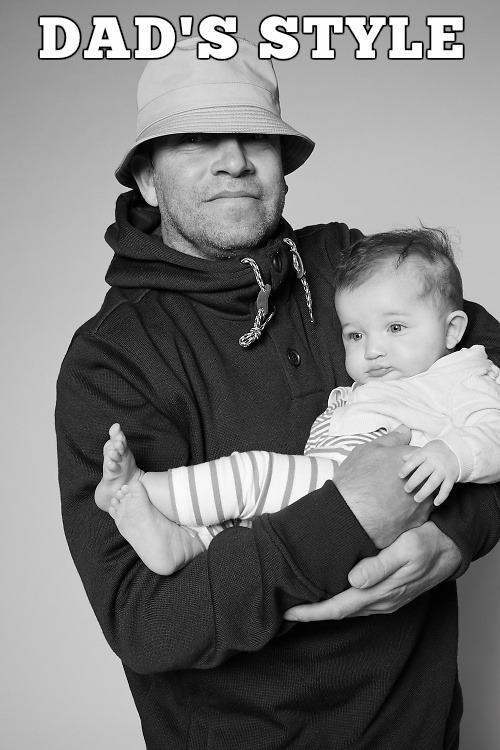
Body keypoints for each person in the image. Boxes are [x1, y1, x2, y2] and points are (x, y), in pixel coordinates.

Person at [56, 36, 500, 750]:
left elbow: (488, 377)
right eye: (197, 139)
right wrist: (347, 517)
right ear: (146, 179)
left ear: (283, 165)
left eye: (255, 138)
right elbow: (146, 622)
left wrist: (457, 532)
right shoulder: (112, 358)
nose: (234, 160)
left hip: (417, 730)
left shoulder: (351, 267)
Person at [93, 227, 500, 576]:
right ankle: (188, 544)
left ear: (453, 331)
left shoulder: (461, 375)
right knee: (256, 526)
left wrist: (451, 455)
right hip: (337, 494)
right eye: (355, 335)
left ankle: (140, 488)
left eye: (395, 327)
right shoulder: (108, 348)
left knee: (252, 475)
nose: (372, 350)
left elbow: (495, 430)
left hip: (368, 485)